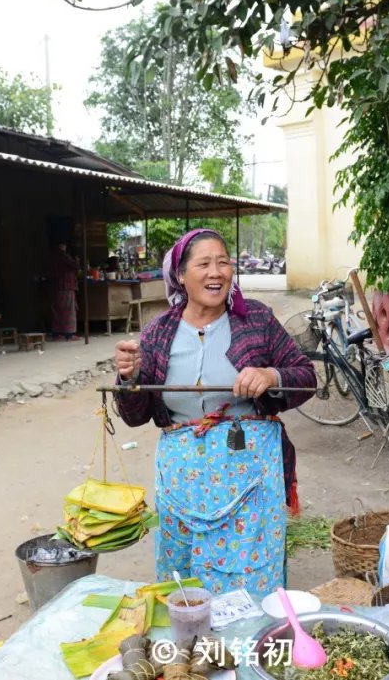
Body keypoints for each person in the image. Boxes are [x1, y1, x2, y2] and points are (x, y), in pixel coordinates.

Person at [113, 228, 315, 594]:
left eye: (223, 262)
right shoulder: (159, 333)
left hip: (250, 477)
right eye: (203, 264)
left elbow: (305, 377)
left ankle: (250, 643)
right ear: (180, 276)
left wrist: (271, 375)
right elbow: (134, 415)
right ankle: (194, 642)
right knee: (186, 579)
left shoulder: (255, 319)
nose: (216, 272)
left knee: (250, 572)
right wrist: (131, 378)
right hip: (183, 480)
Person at [48, 241, 81, 341]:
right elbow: (75, 266)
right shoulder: (64, 256)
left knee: (57, 310)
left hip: (55, 286)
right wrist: (77, 260)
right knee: (68, 310)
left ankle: (57, 333)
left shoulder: (52, 257)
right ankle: (69, 334)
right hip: (66, 286)